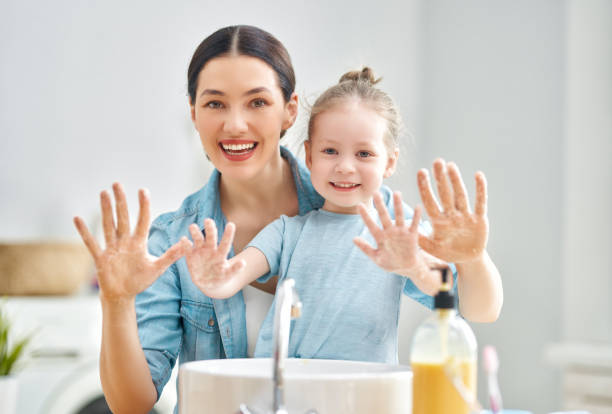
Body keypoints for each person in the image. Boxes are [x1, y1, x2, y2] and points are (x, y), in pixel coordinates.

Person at [183, 67, 503, 363]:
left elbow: (481, 310)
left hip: (364, 398)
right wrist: (216, 279)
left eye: (364, 153)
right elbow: (235, 275)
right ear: (309, 155)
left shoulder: (400, 233)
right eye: (330, 151)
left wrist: (469, 259)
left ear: (389, 162)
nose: (345, 166)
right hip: (286, 395)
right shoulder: (288, 232)